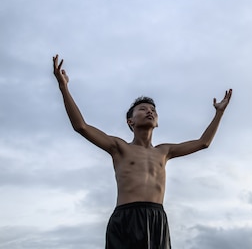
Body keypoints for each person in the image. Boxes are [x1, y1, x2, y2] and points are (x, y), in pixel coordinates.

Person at [52, 54, 232, 249]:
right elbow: (81, 126)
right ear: (130, 121)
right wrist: (64, 87)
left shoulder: (165, 151)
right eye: (143, 109)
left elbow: (203, 142)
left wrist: (219, 113)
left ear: (157, 122)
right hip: (126, 217)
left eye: (153, 110)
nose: (150, 111)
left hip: (157, 219)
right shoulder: (119, 147)